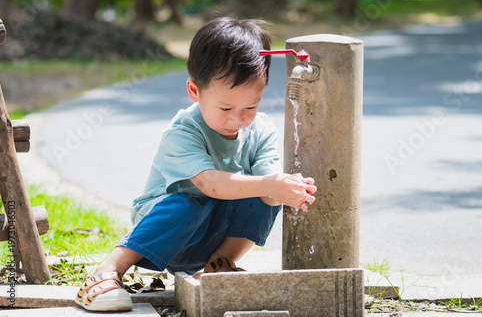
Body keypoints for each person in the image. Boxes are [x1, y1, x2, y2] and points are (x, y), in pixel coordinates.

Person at [75, 17, 317, 312]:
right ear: (194, 91)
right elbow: (209, 184)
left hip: (214, 238)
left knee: (265, 194)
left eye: (251, 106)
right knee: (193, 201)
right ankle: (109, 269)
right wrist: (269, 185)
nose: (237, 118)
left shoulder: (261, 130)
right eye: (226, 107)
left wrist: (286, 189)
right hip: (166, 236)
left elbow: (267, 188)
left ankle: (221, 263)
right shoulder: (184, 131)